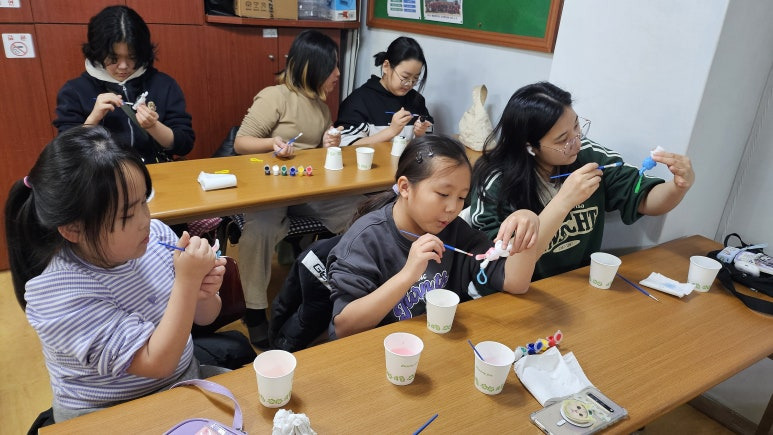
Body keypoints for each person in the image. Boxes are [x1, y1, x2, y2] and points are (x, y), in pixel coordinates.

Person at [4, 126, 225, 422]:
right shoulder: (58, 292)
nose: (145, 220)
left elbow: (205, 317)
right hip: (108, 413)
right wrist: (187, 282)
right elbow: (156, 362)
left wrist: (203, 292)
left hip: (181, 382)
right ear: (73, 229)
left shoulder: (155, 236)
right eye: (126, 215)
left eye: (144, 202)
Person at [470, 81, 695, 280]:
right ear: (530, 147)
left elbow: (644, 199)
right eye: (562, 140)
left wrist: (678, 186)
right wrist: (564, 201)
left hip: (578, 284)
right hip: (518, 292)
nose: (577, 142)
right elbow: (500, 266)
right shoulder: (496, 182)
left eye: (577, 126)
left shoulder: (588, 155)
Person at [327, 135, 540, 339]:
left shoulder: (455, 231)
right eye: (443, 194)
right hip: (382, 350)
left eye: (461, 197)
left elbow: (515, 283)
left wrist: (528, 223)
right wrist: (408, 274)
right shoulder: (366, 239)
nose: (453, 208)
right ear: (405, 187)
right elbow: (345, 327)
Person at [233, 29, 358, 347]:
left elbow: (315, 157)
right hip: (269, 187)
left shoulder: (321, 108)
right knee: (259, 230)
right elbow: (241, 143)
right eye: (332, 66)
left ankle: (341, 285)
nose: (337, 73)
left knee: (358, 210)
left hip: (305, 189)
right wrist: (271, 144)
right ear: (312, 67)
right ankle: (255, 310)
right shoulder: (275, 97)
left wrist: (329, 145)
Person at [53, 5, 194, 164]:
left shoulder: (163, 84)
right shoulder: (74, 91)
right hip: (102, 176)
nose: (123, 66)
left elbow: (185, 145)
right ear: (98, 52)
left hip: (153, 172)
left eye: (132, 57)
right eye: (113, 58)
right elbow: (66, 154)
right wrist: (93, 119)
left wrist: (153, 126)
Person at [335, 36, 434, 147]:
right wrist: (391, 131)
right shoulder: (359, 100)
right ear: (386, 66)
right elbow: (346, 146)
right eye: (405, 77)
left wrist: (421, 134)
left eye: (415, 78)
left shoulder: (417, 100)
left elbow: (431, 144)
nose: (409, 84)